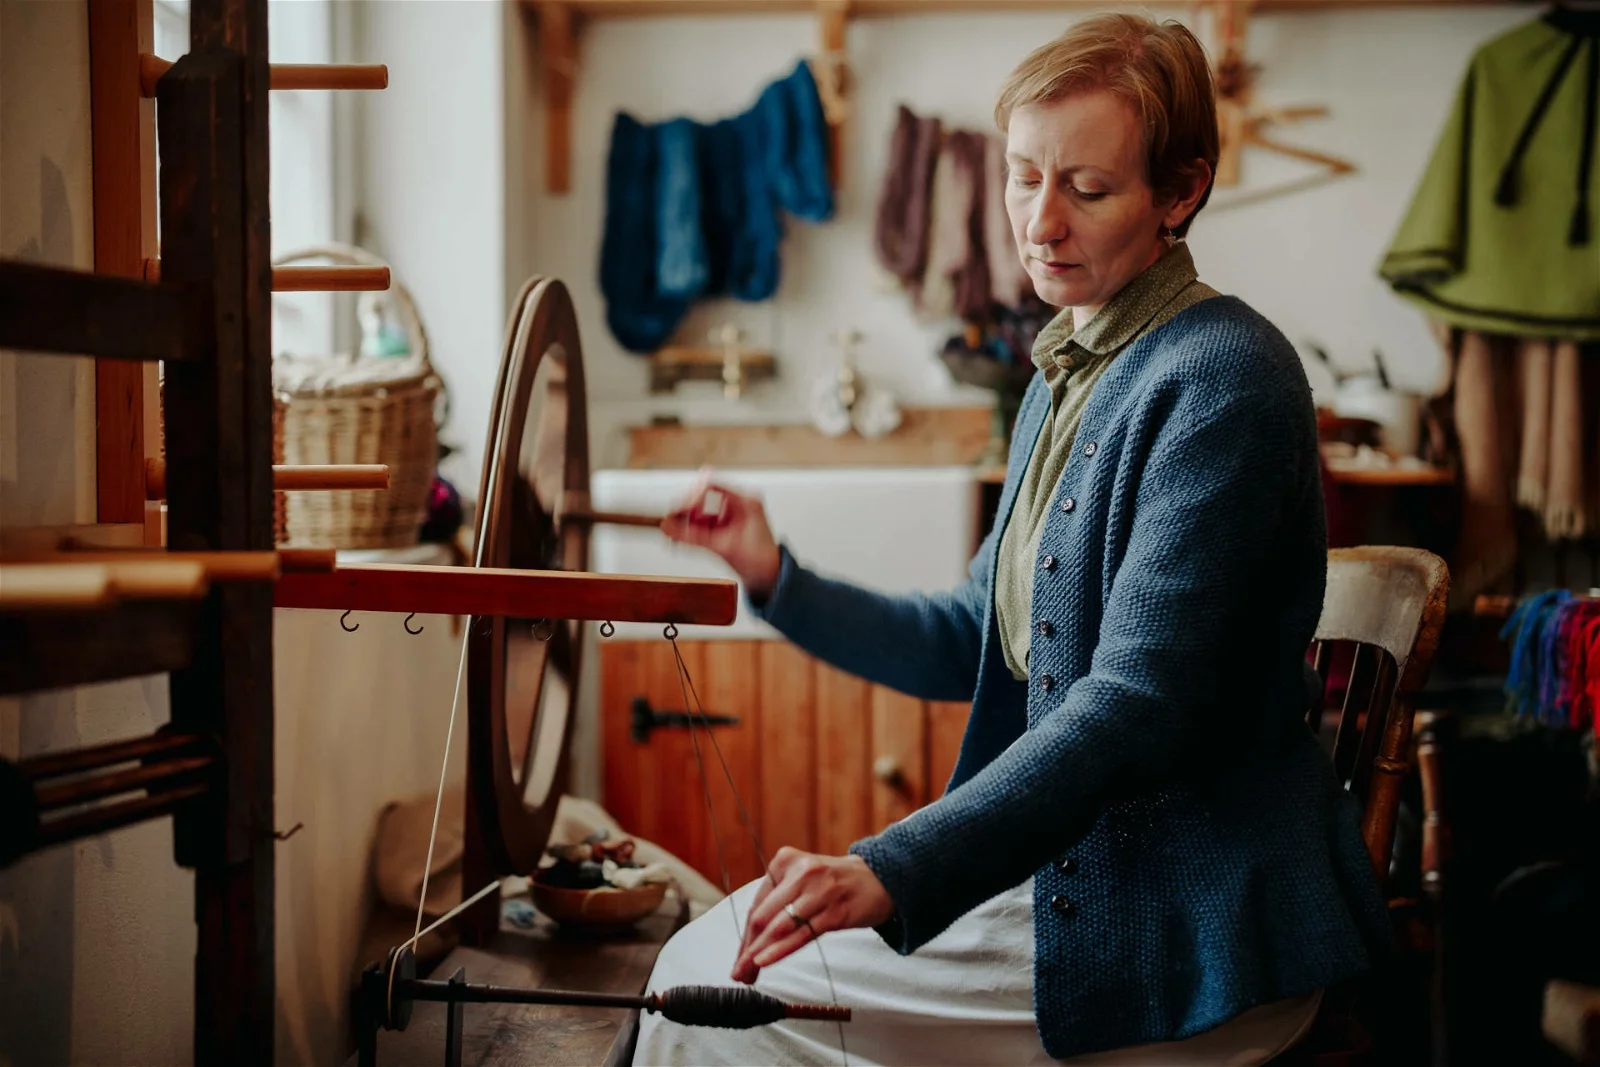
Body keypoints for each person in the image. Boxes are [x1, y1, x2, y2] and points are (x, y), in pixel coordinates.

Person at [633, 13, 1389, 1066]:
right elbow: (965, 634)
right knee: (694, 971)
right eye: (1021, 176)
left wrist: (891, 863)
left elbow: (1136, 704)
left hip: (1189, 929)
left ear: (1179, 193)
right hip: (1083, 878)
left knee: (698, 1001)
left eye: (1086, 188)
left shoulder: (1226, 376)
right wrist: (775, 573)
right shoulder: (1061, 375)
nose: (1039, 222)